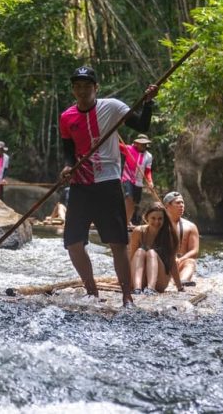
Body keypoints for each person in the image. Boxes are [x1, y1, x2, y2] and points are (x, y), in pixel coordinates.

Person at [59, 65, 158, 307]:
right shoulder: (66, 117)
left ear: (96, 88)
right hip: (82, 184)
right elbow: (69, 153)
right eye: (78, 86)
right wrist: (67, 167)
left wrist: (148, 103)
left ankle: (127, 296)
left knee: (117, 242)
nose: (82, 90)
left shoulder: (112, 107)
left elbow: (141, 126)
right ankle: (92, 292)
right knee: (72, 242)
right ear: (73, 90)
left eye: (87, 86)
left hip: (108, 182)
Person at [128, 203, 184, 294]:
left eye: (160, 219)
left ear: (164, 219)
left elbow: (172, 262)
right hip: (140, 278)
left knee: (151, 253)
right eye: (153, 218)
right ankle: (137, 289)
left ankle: (151, 288)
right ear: (147, 218)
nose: (156, 222)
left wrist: (179, 286)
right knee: (139, 251)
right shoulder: (138, 232)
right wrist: (125, 280)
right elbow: (132, 258)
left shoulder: (169, 234)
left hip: (159, 280)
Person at [163, 191, 200, 285]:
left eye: (182, 202)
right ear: (168, 206)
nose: (181, 205)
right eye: (178, 203)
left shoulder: (191, 226)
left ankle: (183, 281)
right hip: (163, 263)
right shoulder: (159, 224)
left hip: (180, 262)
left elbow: (194, 251)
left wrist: (180, 259)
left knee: (191, 261)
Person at [120, 133, 154, 227]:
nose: (143, 146)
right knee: (129, 198)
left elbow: (147, 171)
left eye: (145, 144)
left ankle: (127, 220)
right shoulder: (129, 149)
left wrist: (150, 181)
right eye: (141, 143)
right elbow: (116, 145)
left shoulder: (148, 156)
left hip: (138, 182)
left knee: (134, 202)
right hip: (127, 178)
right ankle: (124, 222)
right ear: (136, 143)